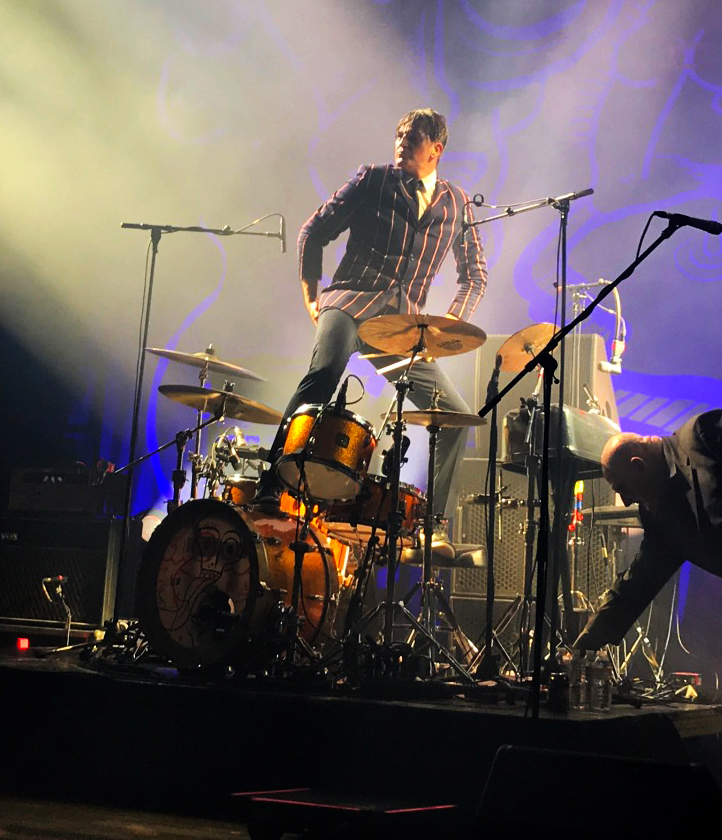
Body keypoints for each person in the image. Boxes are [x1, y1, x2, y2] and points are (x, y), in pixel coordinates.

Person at [254, 108, 487, 527]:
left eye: (411, 137)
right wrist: (312, 297)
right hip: (349, 303)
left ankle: (430, 525)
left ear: (436, 148)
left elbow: (475, 276)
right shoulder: (373, 179)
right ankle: (269, 486)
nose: (400, 143)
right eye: (398, 135)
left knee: (453, 416)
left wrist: (447, 326)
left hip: (402, 330)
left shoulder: (457, 203)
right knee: (322, 377)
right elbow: (313, 231)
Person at [574, 409, 722, 651]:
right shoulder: (659, 518)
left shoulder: (702, 434)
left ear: (639, 466)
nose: (626, 501)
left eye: (623, 488)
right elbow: (638, 583)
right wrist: (586, 642)